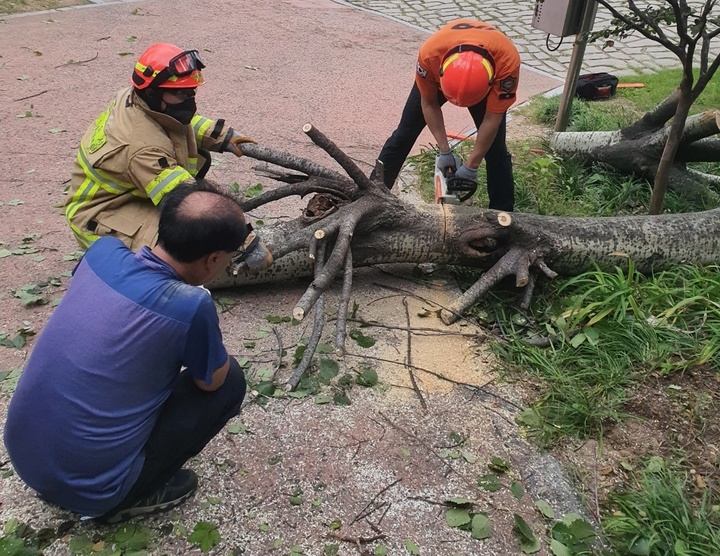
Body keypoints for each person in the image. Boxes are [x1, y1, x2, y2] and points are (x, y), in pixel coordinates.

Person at [4, 185, 254, 524]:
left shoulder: (102, 252)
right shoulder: (190, 304)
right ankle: (131, 496)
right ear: (213, 259)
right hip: (90, 491)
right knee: (230, 381)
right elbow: (211, 382)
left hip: (23, 456)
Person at [65, 42, 259, 252]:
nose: (189, 99)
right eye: (180, 94)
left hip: (130, 196)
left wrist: (221, 136)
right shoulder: (142, 147)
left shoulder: (138, 99)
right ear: (152, 93)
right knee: (183, 244)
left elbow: (176, 123)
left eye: (191, 91)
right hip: (99, 215)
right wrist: (242, 238)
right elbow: (187, 200)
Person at [374, 19, 521, 212]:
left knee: (496, 151)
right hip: (441, 75)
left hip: (484, 80)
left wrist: (472, 166)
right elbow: (429, 103)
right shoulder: (429, 56)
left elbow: (492, 118)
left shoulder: (507, 64)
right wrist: (444, 151)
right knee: (403, 134)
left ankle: (503, 216)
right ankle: (372, 196)